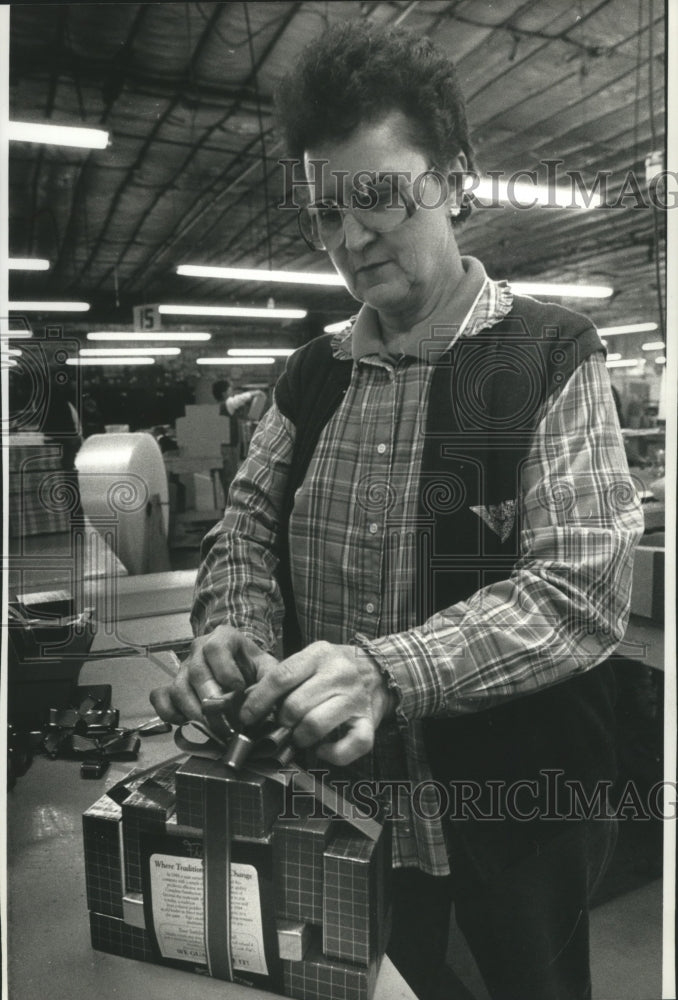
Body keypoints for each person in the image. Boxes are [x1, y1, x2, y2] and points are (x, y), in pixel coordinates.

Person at [152, 22, 644, 1000]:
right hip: (347, 815)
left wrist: (387, 671)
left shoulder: (547, 354)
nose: (350, 237)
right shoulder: (309, 379)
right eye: (327, 212)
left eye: (379, 194)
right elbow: (243, 529)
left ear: (455, 178)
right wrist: (231, 634)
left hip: (519, 815)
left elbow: (578, 590)